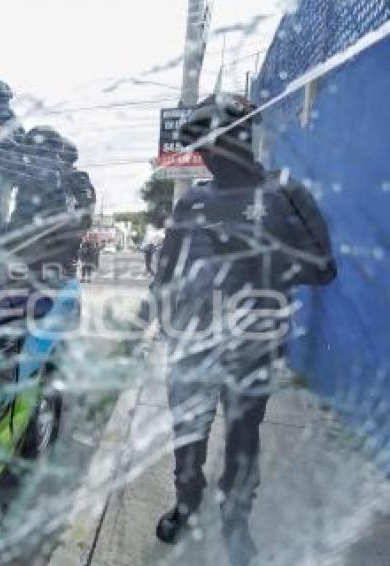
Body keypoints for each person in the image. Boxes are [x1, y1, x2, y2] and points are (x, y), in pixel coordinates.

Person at [151, 93, 337, 565]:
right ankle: (187, 504)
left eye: (217, 140)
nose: (209, 154)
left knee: (242, 436)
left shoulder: (285, 194)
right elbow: (167, 271)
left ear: (243, 137)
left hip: (252, 348)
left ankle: (236, 519)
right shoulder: (191, 201)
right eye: (203, 145)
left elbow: (322, 268)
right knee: (188, 432)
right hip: (191, 345)